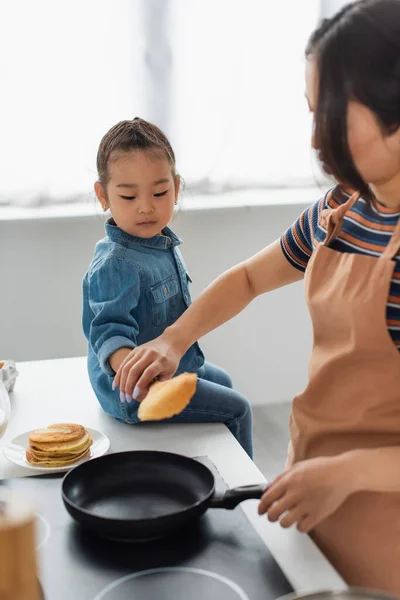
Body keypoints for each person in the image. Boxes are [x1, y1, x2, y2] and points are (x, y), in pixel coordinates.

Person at [112, 1, 400, 592]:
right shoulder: (341, 208)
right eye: (313, 111)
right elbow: (249, 278)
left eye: (336, 115)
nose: (317, 136)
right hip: (312, 487)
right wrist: (172, 339)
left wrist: (345, 472)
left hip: (383, 523)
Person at [82, 118, 253, 457]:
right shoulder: (116, 263)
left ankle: (220, 466)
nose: (146, 206)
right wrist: (142, 380)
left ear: (176, 188)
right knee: (240, 409)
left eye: (159, 193)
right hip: (136, 392)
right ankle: (248, 497)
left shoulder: (160, 243)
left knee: (226, 383)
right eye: (129, 196)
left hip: (178, 362)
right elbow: (108, 334)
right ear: (102, 195)